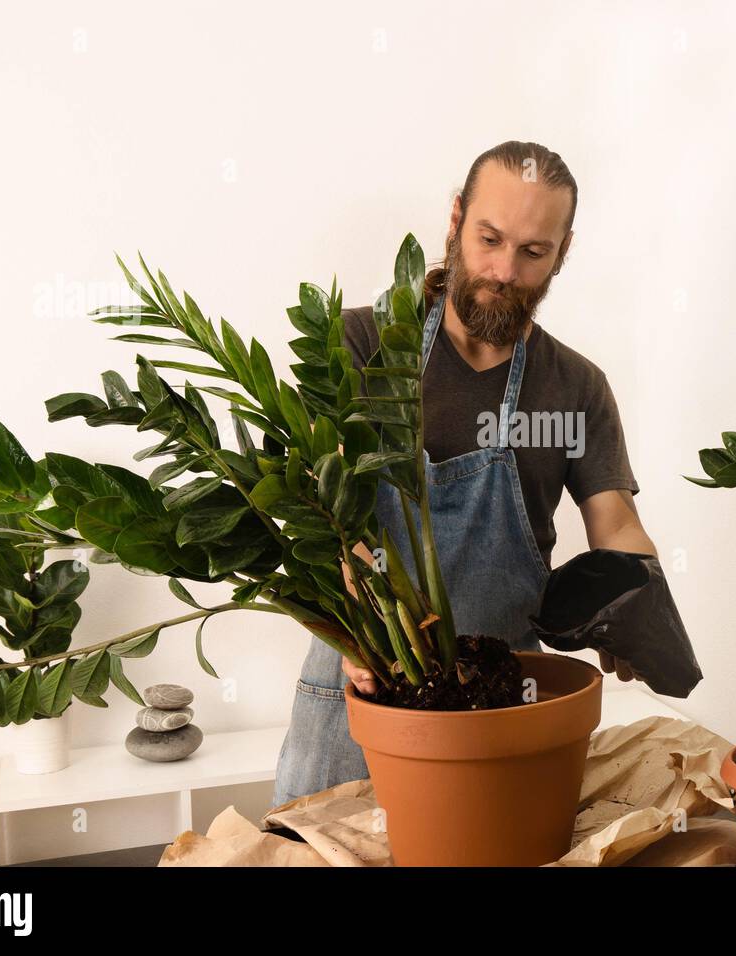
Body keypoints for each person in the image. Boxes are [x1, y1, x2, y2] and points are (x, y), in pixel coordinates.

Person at [271, 141, 658, 808]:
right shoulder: (357, 347)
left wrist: (639, 596)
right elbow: (318, 505)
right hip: (361, 694)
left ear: (563, 253)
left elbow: (615, 520)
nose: (504, 270)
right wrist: (364, 608)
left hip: (501, 708)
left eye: (534, 252)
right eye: (489, 239)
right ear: (455, 219)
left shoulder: (576, 386)